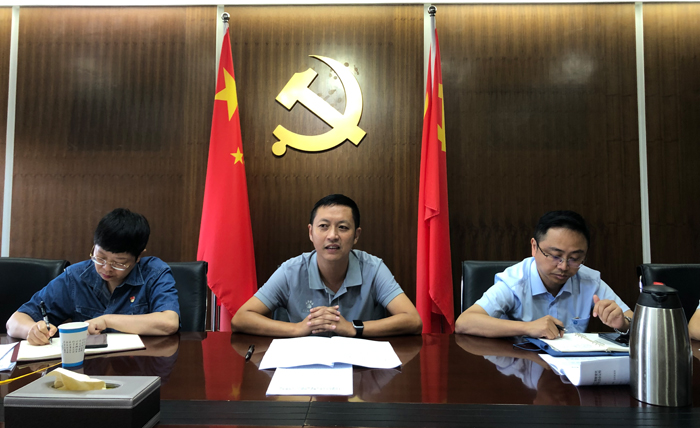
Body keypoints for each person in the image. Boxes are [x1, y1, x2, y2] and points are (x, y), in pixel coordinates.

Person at [231, 194, 422, 337]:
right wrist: (298, 328)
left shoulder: (373, 268)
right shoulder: (291, 271)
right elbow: (241, 318)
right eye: (323, 226)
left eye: (343, 227)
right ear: (310, 232)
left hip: (359, 368)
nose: (332, 235)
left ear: (356, 235)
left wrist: (352, 327)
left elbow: (413, 320)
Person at [6, 208, 180, 345]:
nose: (106, 268)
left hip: (140, 367)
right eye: (100, 257)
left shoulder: (154, 272)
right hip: (87, 368)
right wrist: (33, 330)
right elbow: (14, 322)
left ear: (139, 256)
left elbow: (169, 322)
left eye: (119, 263)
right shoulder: (76, 277)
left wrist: (107, 320)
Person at [455, 210, 633, 339]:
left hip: (571, 371)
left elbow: (634, 321)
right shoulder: (514, 281)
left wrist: (623, 323)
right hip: (521, 368)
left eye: (575, 258)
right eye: (555, 256)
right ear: (534, 247)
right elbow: (465, 322)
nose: (564, 266)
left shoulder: (589, 281)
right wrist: (528, 328)